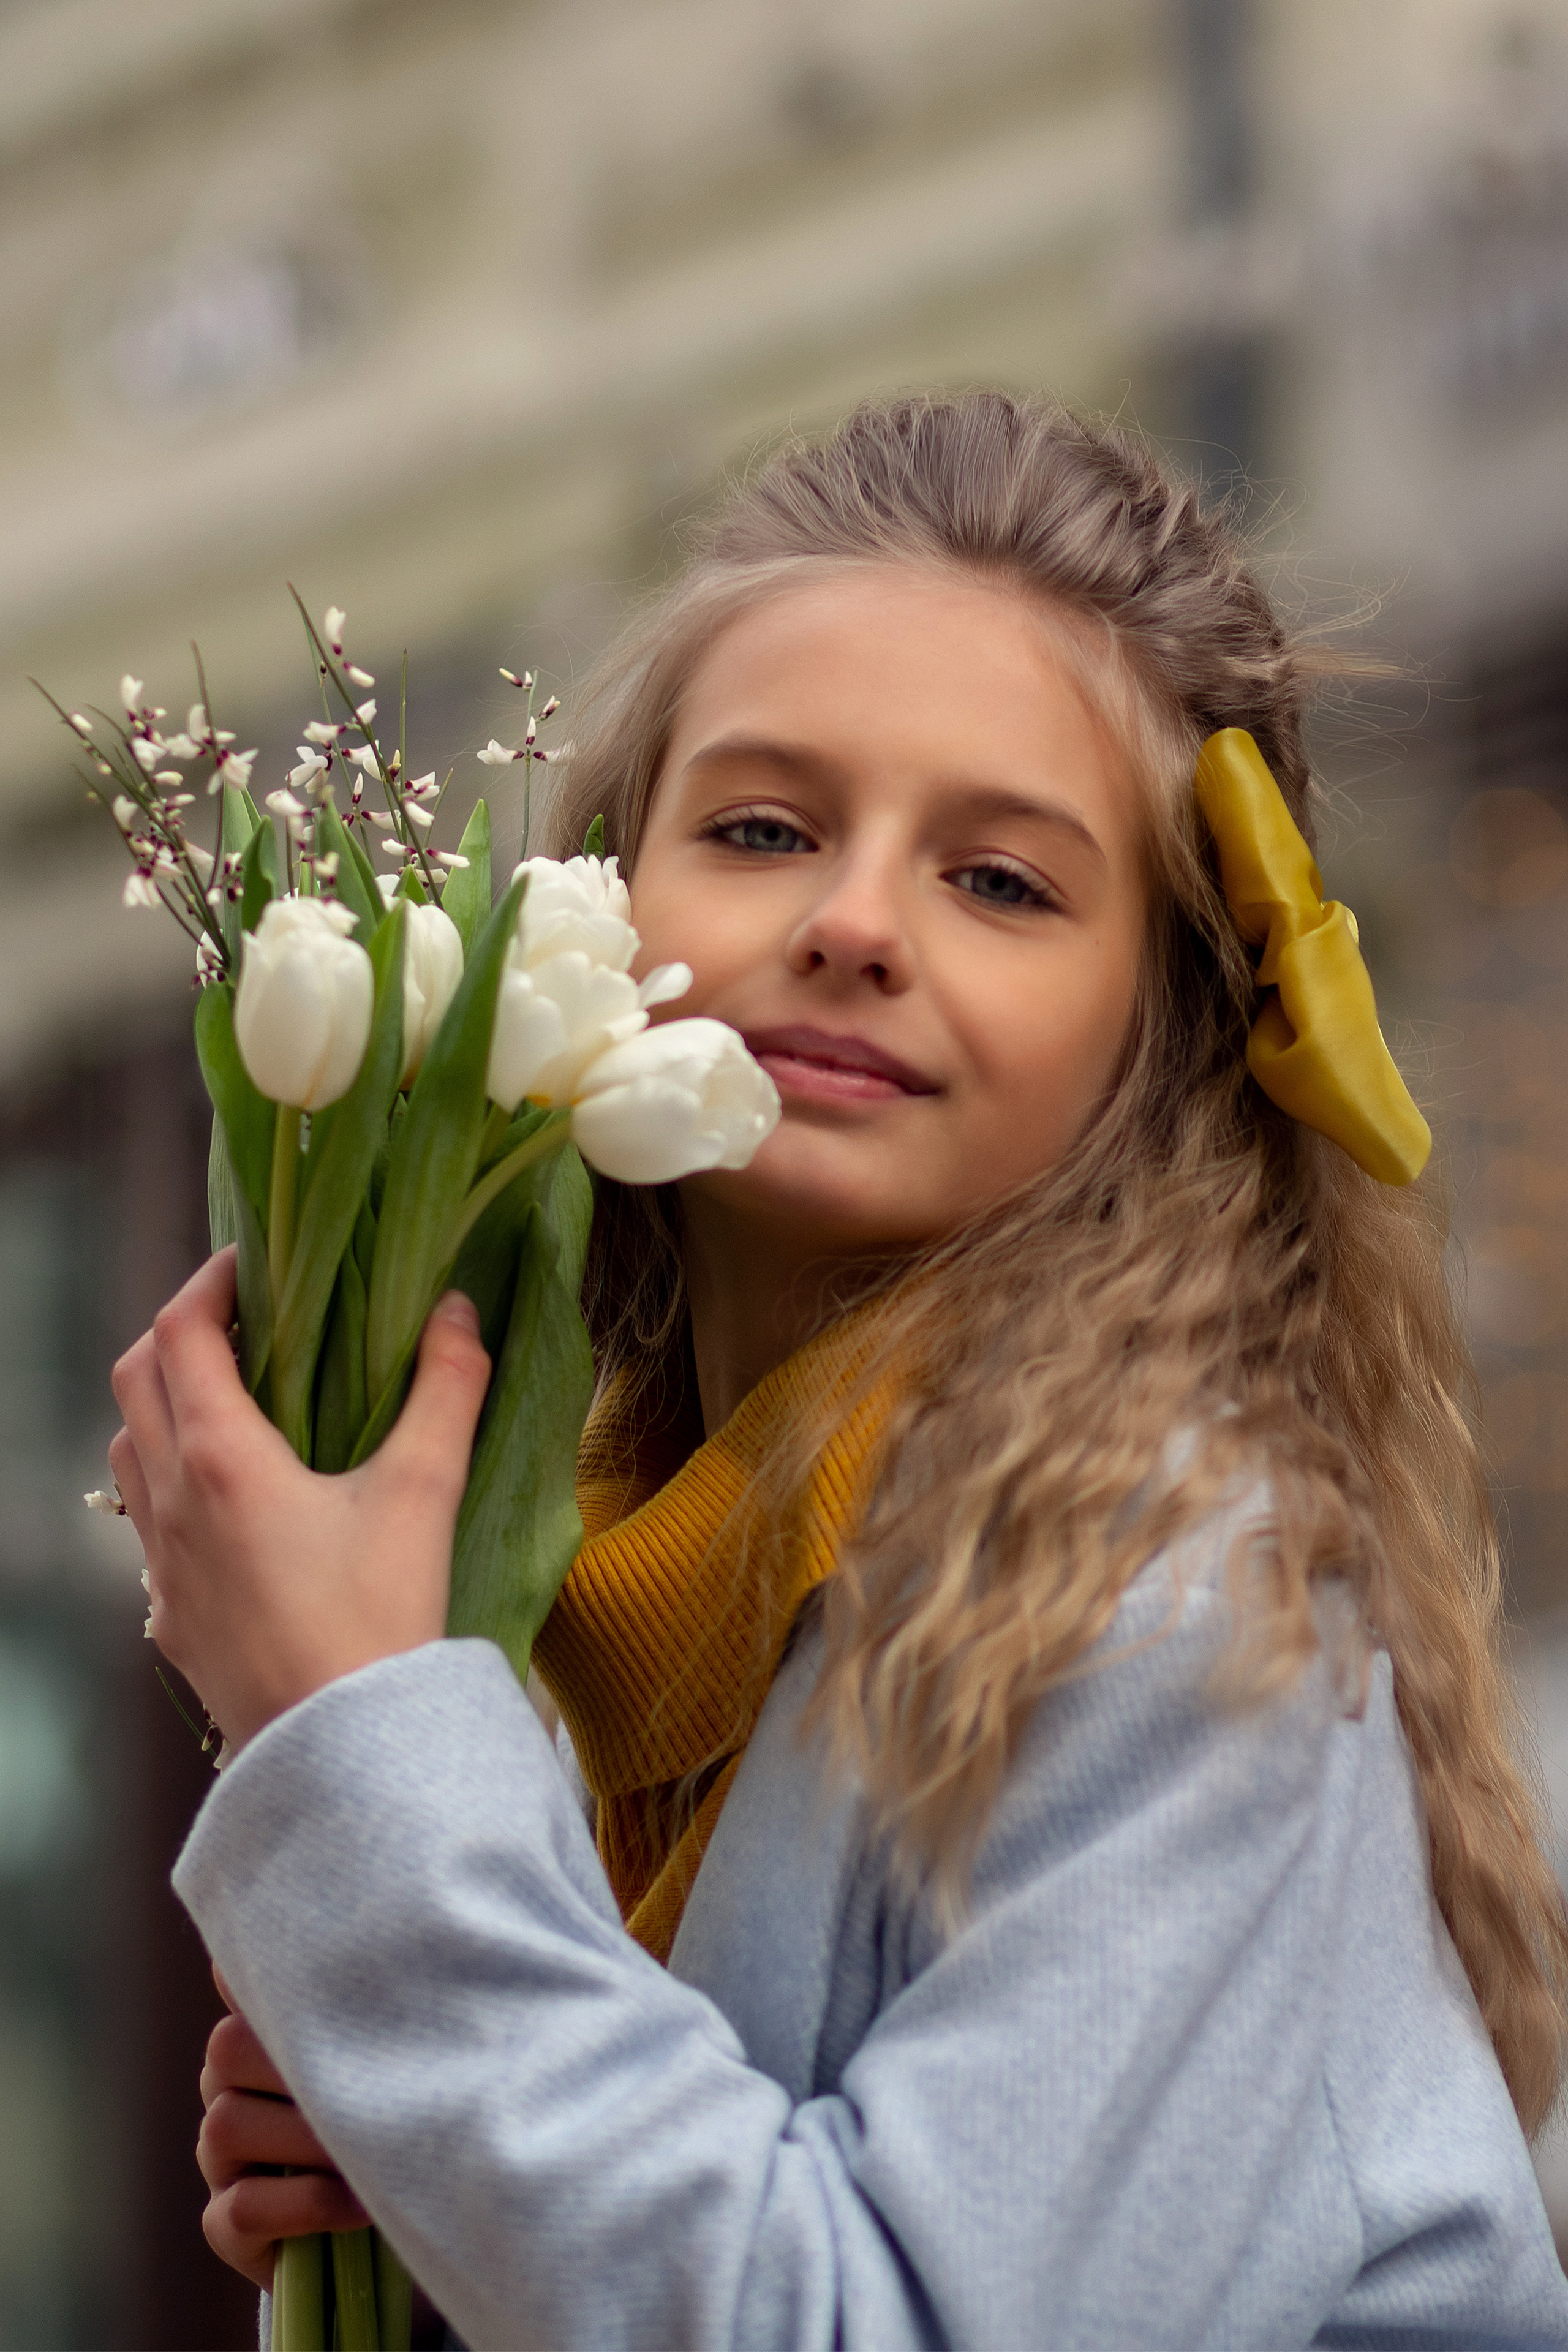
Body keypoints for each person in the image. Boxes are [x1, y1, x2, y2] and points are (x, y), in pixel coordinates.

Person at [112, 394, 1568, 2348]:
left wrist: (364, 1750)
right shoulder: (579, 1584)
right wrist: (431, 2154)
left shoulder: (1180, 1608)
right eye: (765, 829)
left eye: (1004, 882)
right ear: (613, 897)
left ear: (1168, 1036)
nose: (857, 923)